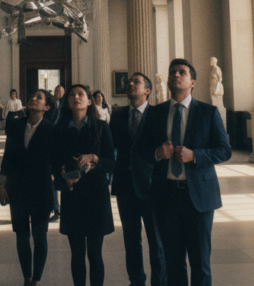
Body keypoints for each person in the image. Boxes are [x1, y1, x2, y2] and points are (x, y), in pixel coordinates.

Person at [134, 59, 231, 286]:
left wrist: (195, 155)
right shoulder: (155, 113)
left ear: (193, 82)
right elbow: (140, 150)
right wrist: (157, 152)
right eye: (172, 72)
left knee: (200, 263)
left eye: (182, 72)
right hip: (166, 195)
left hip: (198, 197)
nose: (175, 75)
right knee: (173, 262)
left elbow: (225, 150)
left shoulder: (208, 112)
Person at [51, 84, 115, 286]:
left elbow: (111, 163)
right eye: (72, 95)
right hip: (73, 195)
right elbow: (53, 163)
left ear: (90, 101)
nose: (76, 97)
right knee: (77, 253)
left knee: (95, 253)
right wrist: (62, 174)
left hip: (96, 195)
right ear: (67, 103)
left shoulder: (101, 127)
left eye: (81, 94)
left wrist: (94, 158)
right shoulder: (60, 129)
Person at [109, 73, 166, 286]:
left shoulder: (158, 115)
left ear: (147, 91)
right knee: (131, 241)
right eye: (129, 81)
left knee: (156, 242)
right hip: (125, 187)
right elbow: (111, 147)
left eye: (136, 82)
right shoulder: (118, 115)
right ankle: (136, 281)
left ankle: (159, 282)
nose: (130, 84)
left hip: (152, 186)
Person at [0, 89, 56, 286]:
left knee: (40, 237)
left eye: (39, 98)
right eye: (33, 96)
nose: (33, 98)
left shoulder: (51, 129)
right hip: (17, 188)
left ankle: (37, 279)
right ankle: (27, 277)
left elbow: (55, 161)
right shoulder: (15, 125)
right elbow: (8, 156)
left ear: (46, 107)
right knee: (22, 237)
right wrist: (1, 183)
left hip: (41, 190)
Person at [48, 84, 67, 222]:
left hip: (64, 146)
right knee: (52, 180)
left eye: (60, 91)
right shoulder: (51, 105)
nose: (58, 92)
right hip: (52, 144)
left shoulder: (67, 105)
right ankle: (55, 209)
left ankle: (63, 210)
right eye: (56, 91)